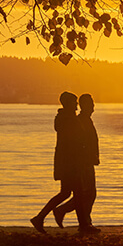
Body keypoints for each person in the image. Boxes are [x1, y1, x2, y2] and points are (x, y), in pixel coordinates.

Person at [30, 91, 80, 233]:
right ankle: (55, 213)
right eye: (74, 102)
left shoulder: (65, 118)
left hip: (65, 160)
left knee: (65, 193)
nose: (77, 104)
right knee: (74, 192)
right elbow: (73, 141)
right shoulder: (68, 119)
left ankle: (41, 217)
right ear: (69, 104)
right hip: (69, 161)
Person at [54, 93, 100, 233]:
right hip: (83, 162)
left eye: (93, 104)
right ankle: (81, 221)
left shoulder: (86, 120)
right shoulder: (81, 121)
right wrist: (87, 157)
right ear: (83, 106)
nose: (93, 107)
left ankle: (84, 221)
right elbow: (81, 142)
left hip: (87, 161)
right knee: (86, 194)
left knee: (88, 194)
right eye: (90, 104)